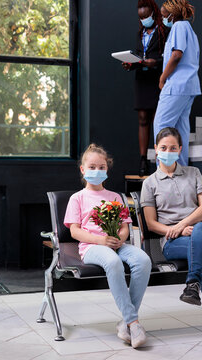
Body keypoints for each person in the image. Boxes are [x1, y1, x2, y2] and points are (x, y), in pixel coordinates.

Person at [64, 144, 152, 348]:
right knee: (113, 262)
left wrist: (120, 239)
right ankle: (134, 322)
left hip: (117, 244)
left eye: (101, 167)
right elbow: (74, 231)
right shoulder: (76, 198)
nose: (97, 171)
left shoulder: (115, 197)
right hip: (92, 247)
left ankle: (126, 322)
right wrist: (102, 241)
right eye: (92, 167)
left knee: (143, 260)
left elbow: (125, 228)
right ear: (83, 169)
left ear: (107, 169)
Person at [140, 127, 202, 340]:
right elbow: (150, 223)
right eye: (163, 147)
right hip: (173, 242)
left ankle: (192, 282)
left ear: (180, 149)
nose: (168, 151)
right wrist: (174, 231)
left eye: (173, 147)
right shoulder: (149, 184)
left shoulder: (193, 173)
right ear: (156, 150)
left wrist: (183, 225)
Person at [122, 0, 169, 176]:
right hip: (141, 79)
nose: (143, 20)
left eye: (146, 16)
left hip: (157, 79)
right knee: (142, 117)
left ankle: (160, 156)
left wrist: (155, 63)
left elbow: (169, 57)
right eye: (140, 17)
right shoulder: (139, 33)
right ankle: (143, 159)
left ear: (154, 13)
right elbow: (139, 55)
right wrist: (130, 64)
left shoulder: (164, 31)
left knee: (158, 118)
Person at [153, 0, 200, 166]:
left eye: (164, 14)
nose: (162, 17)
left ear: (172, 14)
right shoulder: (189, 30)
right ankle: (181, 171)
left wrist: (162, 77)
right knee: (181, 131)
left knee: (161, 126)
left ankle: (163, 172)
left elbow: (177, 55)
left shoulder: (179, 27)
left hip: (177, 86)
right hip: (188, 87)